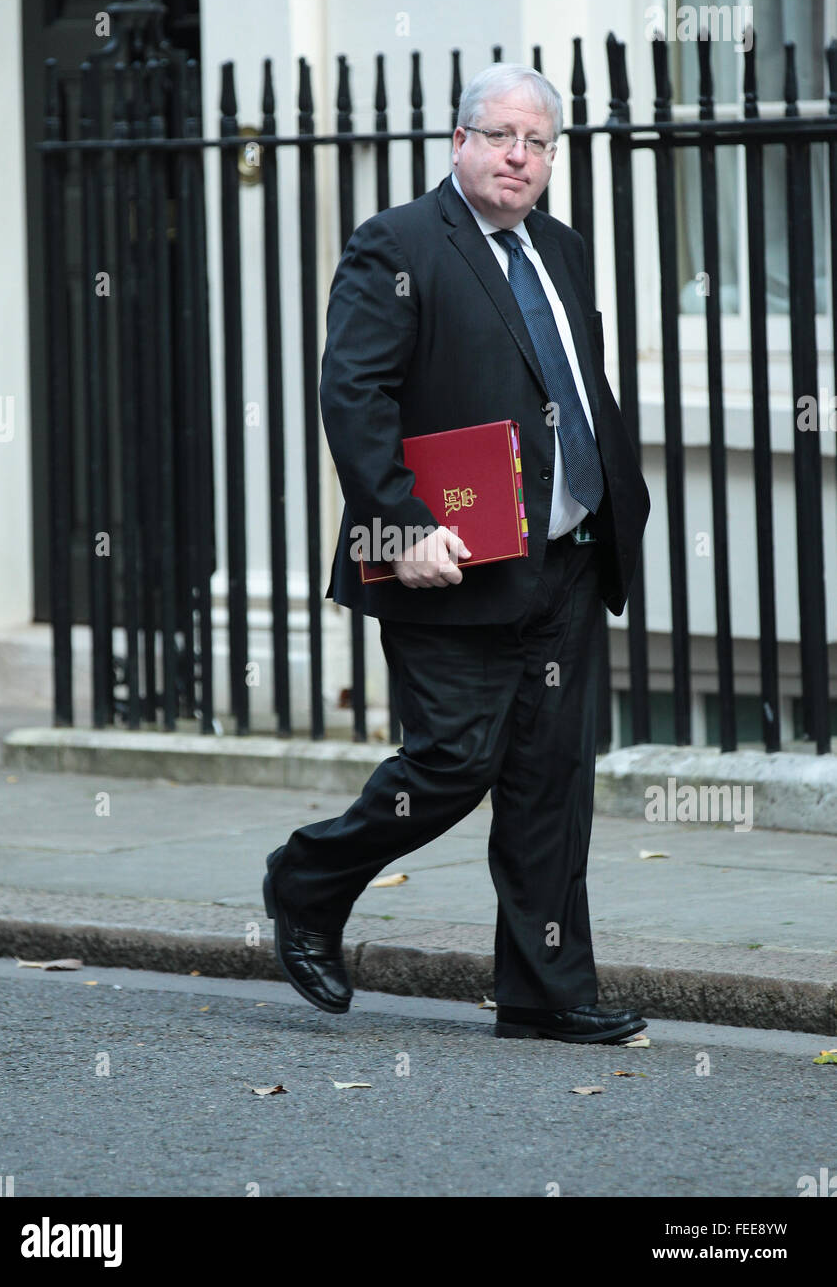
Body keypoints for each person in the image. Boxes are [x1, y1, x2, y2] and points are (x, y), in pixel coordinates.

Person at [263, 63, 650, 1043]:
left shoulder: (556, 249)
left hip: (561, 558)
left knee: (548, 782)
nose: (519, 156)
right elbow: (353, 395)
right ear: (458, 142)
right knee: (451, 761)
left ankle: (545, 992)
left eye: (537, 142)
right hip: (446, 559)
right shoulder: (396, 243)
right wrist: (400, 523)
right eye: (501, 136)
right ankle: (307, 879)